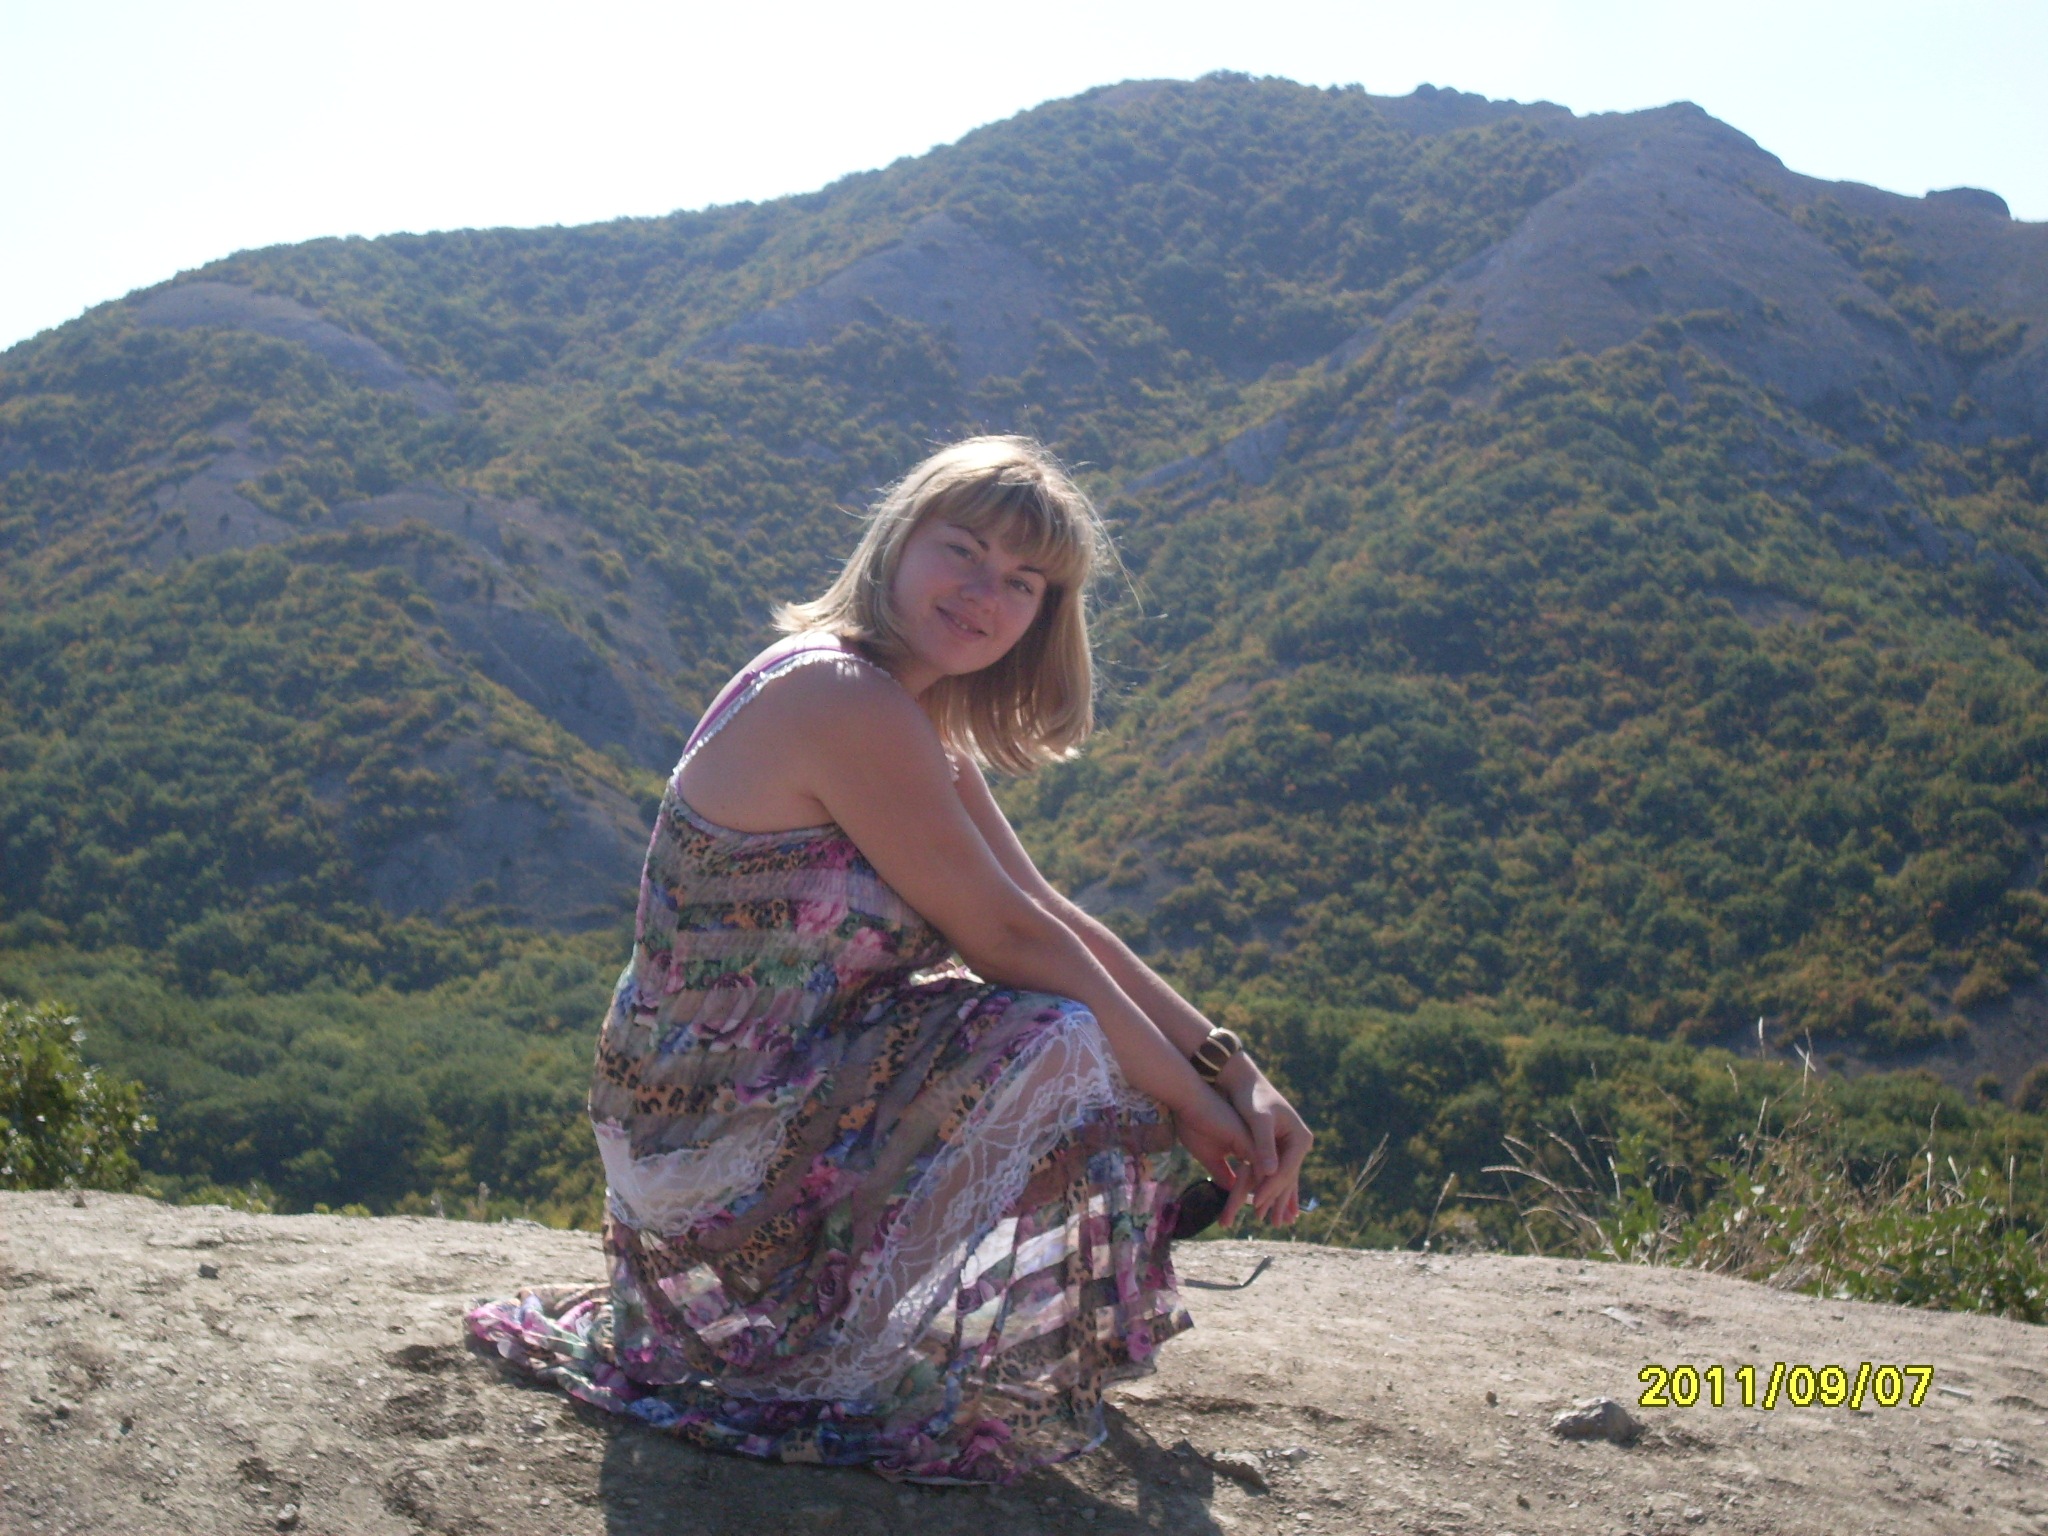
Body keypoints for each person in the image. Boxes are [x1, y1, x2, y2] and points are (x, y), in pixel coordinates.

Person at [466, 436, 1311, 1484]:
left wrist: (1232, 1069)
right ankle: (827, 1361)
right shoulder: (839, 695)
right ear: (897, 542)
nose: (985, 594)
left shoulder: (904, 714)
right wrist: (1190, 1105)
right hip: (706, 1124)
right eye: (963, 551)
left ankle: (836, 1340)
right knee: (1060, 1037)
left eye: (1022, 581)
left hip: (778, 1086)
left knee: (1076, 1027)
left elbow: (1045, 912)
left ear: (1043, 615)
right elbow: (1008, 942)